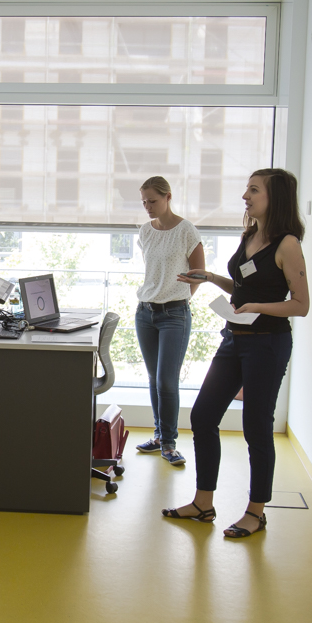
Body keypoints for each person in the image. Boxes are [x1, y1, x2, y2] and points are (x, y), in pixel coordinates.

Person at [163, 168, 310, 538]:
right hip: (234, 338)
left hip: (268, 343)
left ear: (274, 198)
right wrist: (211, 277)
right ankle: (203, 503)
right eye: (247, 189)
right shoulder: (250, 236)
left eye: (254, 190)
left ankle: (256, 512)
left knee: (256, 428)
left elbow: (301, 305)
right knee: (202, 416)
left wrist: (257, 306)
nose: (246, 196)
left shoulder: (288, 244)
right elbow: (242, 287)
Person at [133, 176, 205, 466]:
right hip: (145, 312)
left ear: (168, 197)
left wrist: (181, 297)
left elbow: (199, 273)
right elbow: (153, 270)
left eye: (152, 201)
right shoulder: (145, 232)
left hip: (175, 314)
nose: (148, 207)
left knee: (166, 380)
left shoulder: (186, 230)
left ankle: (170, 442)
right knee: (153, 378)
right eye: (144, 202)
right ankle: (159, 435)